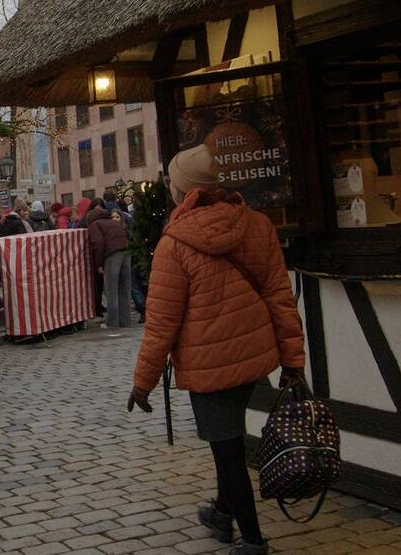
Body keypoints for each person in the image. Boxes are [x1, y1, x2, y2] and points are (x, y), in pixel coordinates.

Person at [127, 187, 306, 555]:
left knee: (228, 456)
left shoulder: (174, 243)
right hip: (254, 354)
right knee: (230, 444)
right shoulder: (257, 224)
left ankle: (253, 542)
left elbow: (162, 324)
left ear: (181, 193)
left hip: (208, 365)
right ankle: (223, 511)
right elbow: (279, 295)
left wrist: (143, 382)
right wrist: (292, 361)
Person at [86, 200, 133, 328]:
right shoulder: (111, 221)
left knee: (111, 290)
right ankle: (125, 321)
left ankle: (112, 322)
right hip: (126, 251)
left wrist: (99, 264)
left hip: (112, 255)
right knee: (124, 289)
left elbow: (98, 244)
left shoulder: (95, 224)